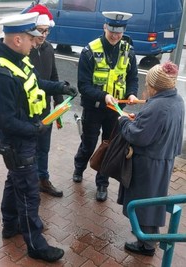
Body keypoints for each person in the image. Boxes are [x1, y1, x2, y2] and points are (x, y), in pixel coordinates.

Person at [0, 12, 77, 262]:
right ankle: (35, 244)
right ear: (17, 40)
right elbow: (4, 120)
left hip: (27, 137)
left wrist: (60, 87)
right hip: (18, 142)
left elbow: (36, 83)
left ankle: (10, 224)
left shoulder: (19, 60)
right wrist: (35, 129)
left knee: (14, 182)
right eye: (31, 38)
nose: (36, 42)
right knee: (28, 192)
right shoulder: (1, 73)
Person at [117, 61, 184, 256]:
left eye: (148, 84)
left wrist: (123, 122)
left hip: (148, 162)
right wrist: (137, 120)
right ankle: (148, 238)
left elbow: (139, 136)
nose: (146, 87)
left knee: (143, 202)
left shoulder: (158, 106)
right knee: (154, 201)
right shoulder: (176, 100)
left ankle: (146, 244)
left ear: (155, 87)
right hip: (164, 158)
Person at [72, 11, 139, 202]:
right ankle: (79, 168)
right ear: (104, 27)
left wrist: (131, 94)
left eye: (119, 32)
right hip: (94, 108)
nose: (115, 35)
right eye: (112, 31)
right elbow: (83, 85)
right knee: (89, 143)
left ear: (124, 30)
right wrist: (104, 96)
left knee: (109, 146)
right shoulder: (90, 51)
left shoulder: (128, 51)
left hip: (115, 110)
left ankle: (102, 183)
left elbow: (132, 78)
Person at [28, 4, 64, 197]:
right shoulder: (26, 50)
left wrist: (58, 101)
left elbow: (53, 74)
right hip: (30, 109)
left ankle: (43, 179)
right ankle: (31, 182)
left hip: (46, 108)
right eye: (40, 31)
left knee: (44, 147)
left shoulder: (49, 48)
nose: (43, 35)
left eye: (46, 31)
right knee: (30, 149)